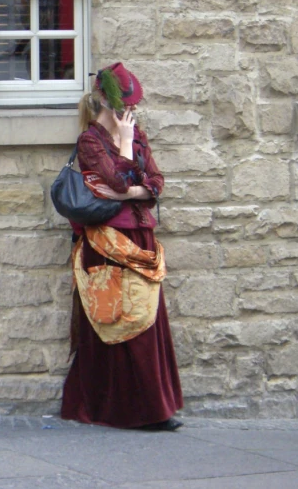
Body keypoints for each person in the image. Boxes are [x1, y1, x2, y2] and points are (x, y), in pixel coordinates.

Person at [60, 62, 184, 431]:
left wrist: (135, 189)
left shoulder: (140, 136)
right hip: (108, 240)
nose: (131, 113)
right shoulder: (91, 141)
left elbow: (156, 181)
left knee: (146, 322)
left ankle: (153, 407)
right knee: (117, 320)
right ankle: (122, 410)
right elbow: (115, 179)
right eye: (125, 106)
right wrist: (128, 152)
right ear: (107, 104)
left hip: (141, 237)